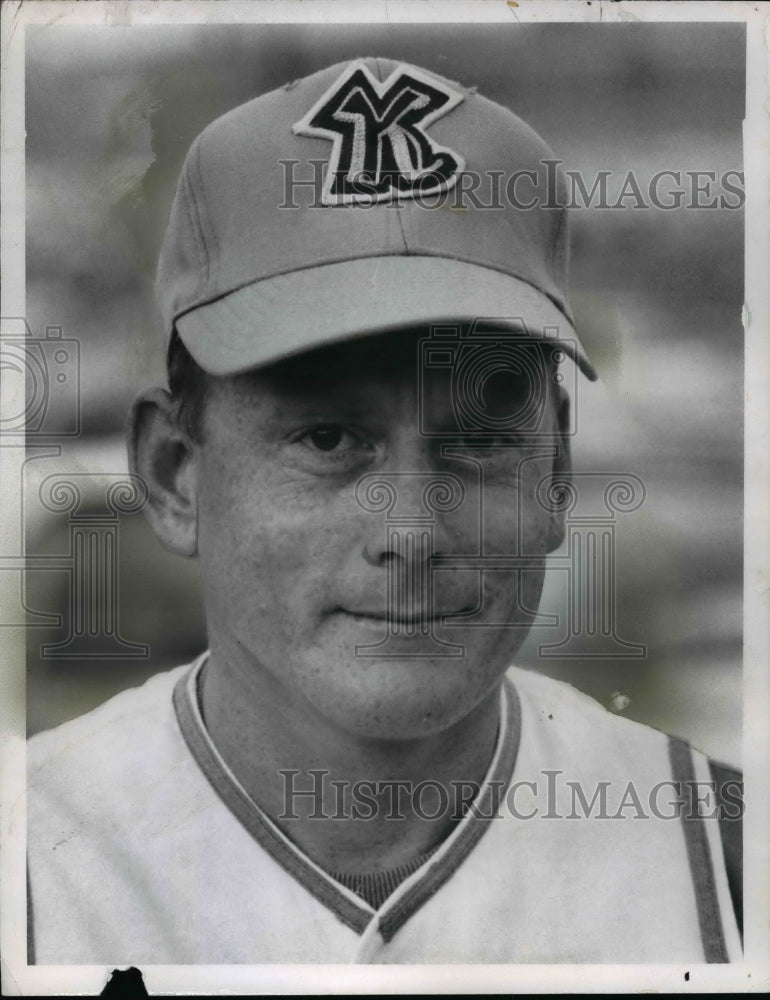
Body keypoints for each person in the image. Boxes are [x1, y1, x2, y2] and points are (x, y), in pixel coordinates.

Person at [27, 56, 742, 964]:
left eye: (478, 440)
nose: (411, 532)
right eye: (328, 439)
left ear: (556, 468)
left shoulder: (726, 863)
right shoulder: (36, 863)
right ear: (175, 474)